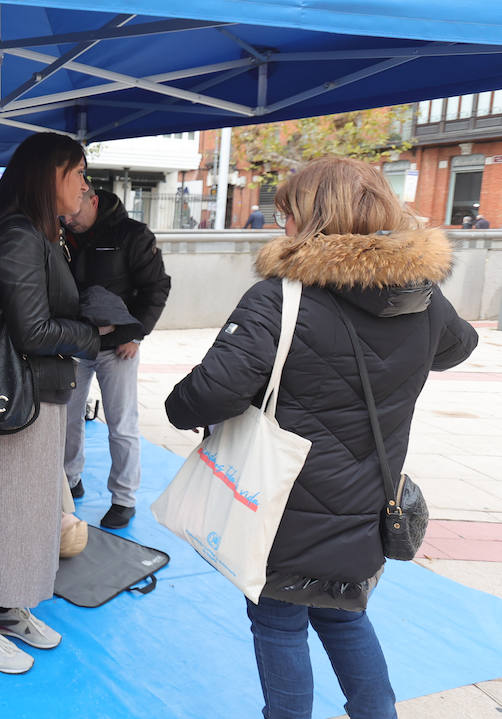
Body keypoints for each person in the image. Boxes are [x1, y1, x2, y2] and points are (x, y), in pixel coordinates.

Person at [165, 156, 478, 719]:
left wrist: (177, 408)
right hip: (366, 508)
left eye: (287, 212)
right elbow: (460, 347)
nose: (281, 224)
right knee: (344, 614)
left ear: (312, 218)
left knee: (279, 622)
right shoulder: (422, 297)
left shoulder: (279, 298)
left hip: (281, 510)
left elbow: (210, 392)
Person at [0, 131, 100, 674]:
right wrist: (90, 335)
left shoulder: (41, 233)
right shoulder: (18, 235)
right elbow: (33, 329)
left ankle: (5, 607)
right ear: (49, 176)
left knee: (29, 512)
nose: (85, 185)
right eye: (78, 173)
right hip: (11, 399)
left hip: (36, 395)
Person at [61, 188, 171, 528]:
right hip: (74, 343)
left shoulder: (133, 235)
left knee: (121, 424)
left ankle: (124, 499)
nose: (68, 220)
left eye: (73, 215)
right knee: (66, 418)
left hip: (118, 345)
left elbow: (157, 288)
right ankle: (69, 480)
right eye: (63, 215)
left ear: (93, 201)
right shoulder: (60, 232)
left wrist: (136, 335)